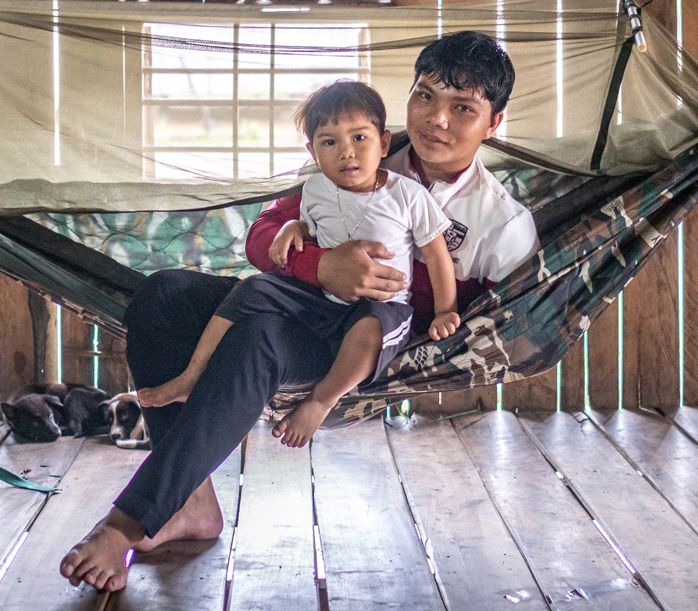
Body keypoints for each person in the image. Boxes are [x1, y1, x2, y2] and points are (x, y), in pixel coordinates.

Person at [59, 31, 539, 592]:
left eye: (463, 108)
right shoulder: (362, 150)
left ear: (494, 123)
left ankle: (129, 521)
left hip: (366, 340)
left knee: (258, 337)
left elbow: (495, 331)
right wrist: (319, 265)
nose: (437, 120)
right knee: (162, 296)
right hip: (307, 299)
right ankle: (188, 502)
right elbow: (264, 234)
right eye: (426, 97)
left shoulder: (501, 224)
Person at [137, 80, 459, 448]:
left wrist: (444, 310)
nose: (346, 153)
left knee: (371, 327)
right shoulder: (316, 189)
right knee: (252, 287)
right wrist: (293, 226)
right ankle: (194, 374)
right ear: (313, 151)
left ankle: (320, 402)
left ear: (384, 143)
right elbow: (310, 226)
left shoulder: (407, 194)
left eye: (359, 138)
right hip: (320, 300)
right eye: (329, 142)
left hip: (383, 307)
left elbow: (436, 254)